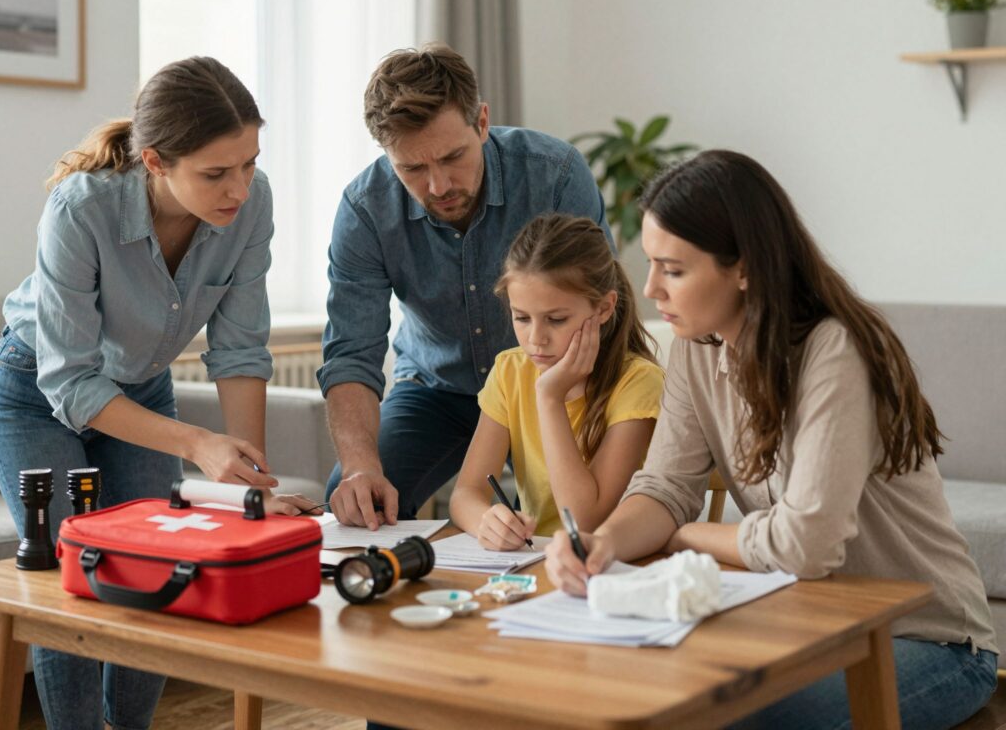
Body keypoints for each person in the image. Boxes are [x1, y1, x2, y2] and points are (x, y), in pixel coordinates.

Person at [545, 150, 999, 730]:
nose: (650, 287)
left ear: (744, 269)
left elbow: (804, 547)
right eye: (652, 264)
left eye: (674, 270)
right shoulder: (696, 348)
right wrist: (601, 543)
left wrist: (690, 536)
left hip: (928, 640)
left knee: (735, 719)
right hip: (810, 624)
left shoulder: (834, 351)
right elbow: (664, 487)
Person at [0, 56, 318, 730]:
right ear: (157, 162)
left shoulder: (253, 206)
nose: (241, 189)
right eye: (217, 173)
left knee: (158, 570)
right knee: (69, 572)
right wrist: (198, 444)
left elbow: (241, 347)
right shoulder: (83, 207)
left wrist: (252, 484)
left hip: (138, 389)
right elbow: (71, 381)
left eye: (250, 163)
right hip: (35, 390)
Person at [320, 44, 609, 529]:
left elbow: (600, 304)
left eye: (453, 157)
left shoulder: (554, 173)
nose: (438, 186)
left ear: (481, 121)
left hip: (553, 381)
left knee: (586, 524)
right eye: (412, 168)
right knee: (354, 504)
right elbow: (351, 353)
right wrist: (360, 465)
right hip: (437, 388)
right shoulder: (365, 208)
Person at [449, 214, 663, 547]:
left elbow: (583, 521)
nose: (536, 339)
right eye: (521, 317)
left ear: (604, 308)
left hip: (616, 564)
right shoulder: (509, 372)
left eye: (557, 319)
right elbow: (466, 493)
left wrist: (550, 398)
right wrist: (486, 523)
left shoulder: (638, 383)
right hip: (540, 562)